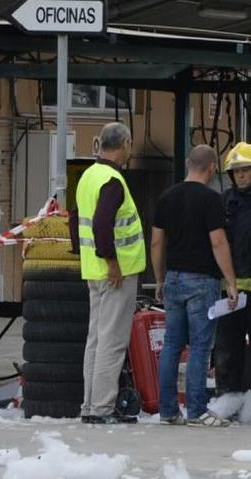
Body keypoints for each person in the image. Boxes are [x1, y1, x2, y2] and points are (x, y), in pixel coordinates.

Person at [151, 144, 238, 427]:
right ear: (212, 167)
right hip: (202, 280)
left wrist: (160, 278)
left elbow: (156, 242)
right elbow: (218, 242)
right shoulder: (211, 199)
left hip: (174, 278)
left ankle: (167, 411)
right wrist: (231, 281)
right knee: (200, 346)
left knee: (172, 346)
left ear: (189, 164)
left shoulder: (166, 197)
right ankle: (197, 410)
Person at [76, 122, 144, 425]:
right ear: (126, 143)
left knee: (95, 340)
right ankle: (102, 408)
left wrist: (93, 259)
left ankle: (90, 405)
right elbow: (102, 225)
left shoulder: (88, 176)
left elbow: (74, 220)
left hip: (93, 271)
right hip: (116, 273)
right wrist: (113, 263)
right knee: (112, 342)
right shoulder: (113, 180)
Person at [213, 142, 251, 403]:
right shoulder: (226, 201)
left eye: (245, 170)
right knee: (226, 349)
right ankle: (228, 398)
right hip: (230, 292)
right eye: (235, 171)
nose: (239, 176)